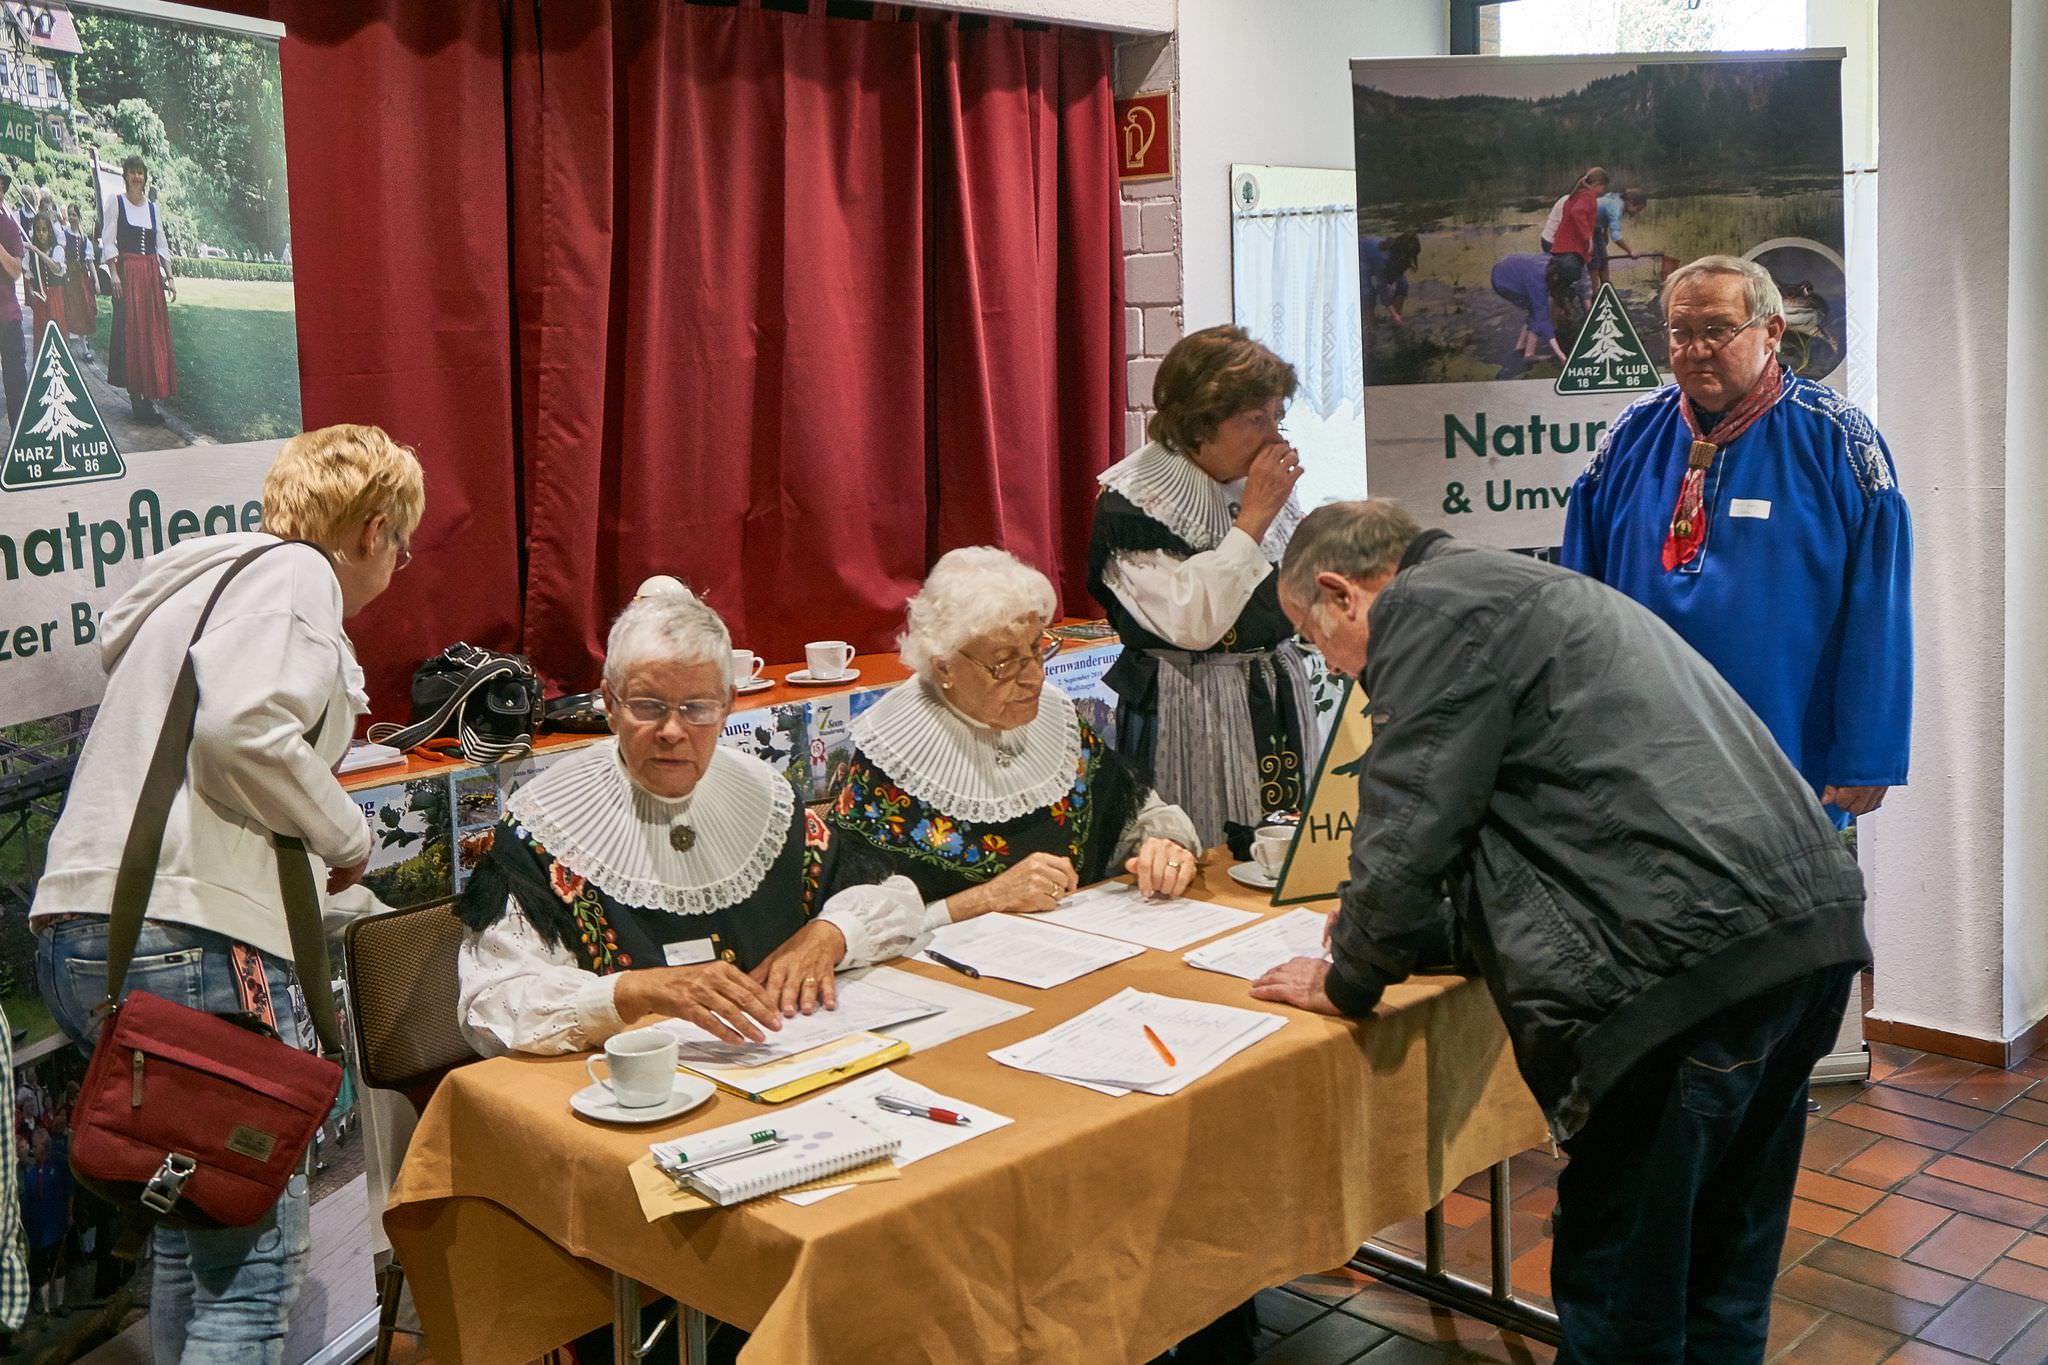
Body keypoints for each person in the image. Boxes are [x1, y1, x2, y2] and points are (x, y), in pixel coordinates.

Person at [1251, 499, 1869, 1365]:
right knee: (1721, 1270)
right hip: (1802, 937)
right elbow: (1537, 834)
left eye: (1313, 638)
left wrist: (1350, 974)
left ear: (1341, 593)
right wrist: (1408, 934)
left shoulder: (1429, 608)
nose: (1333, 666)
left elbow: (1411, 817)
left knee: (1626, 1293)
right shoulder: (1516, 589)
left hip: (1682, 974)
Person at [31, 423, 425, 1364]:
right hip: (192, 947)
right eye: (403, 544)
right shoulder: (299, 577)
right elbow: (245, 732)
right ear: (372, 529)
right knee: (250, 1282)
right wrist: (348, 833)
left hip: (94, 935)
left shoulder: (201, 588)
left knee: (194, 1246)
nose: (400, 565)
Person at [455, 580, 932, 1057]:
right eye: (647, 706)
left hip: (784, 1064)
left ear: (726, 706)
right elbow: (491, 1006)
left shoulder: (767, 798)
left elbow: (894, 899)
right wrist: (637, 991)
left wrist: (833, 933)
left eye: (697, 708)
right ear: (610, 704)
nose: (672, 731)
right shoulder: (542, 824)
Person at [1560, 255, 1912, 824]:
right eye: (1681, 332)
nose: (1696, 348)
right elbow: (1578, 601)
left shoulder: (1838, 440)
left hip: (1784, 758)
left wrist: (1868, 755)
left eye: (1718, 330)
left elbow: (1880, 609)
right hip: (1642, 765)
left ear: (1771, 331)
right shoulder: (1629, 437)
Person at [829, 547, 1201, 920]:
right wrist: (984, 900)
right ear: (944, 668)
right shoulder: (894, 751)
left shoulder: (1055, 717)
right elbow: (848, 926)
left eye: (1037, 649)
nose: (1035, 678)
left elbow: (1135, 816)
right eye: (1005, 662)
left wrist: (1163, 846)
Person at [1087, 325, 1315, 848]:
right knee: (1203, 855)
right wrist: (1253, 519)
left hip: (1272, 693)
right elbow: (1193, 622)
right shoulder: (1132, 503)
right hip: (1188, 705)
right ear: (1197, 425)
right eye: (1255, 420)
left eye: (1277, 417)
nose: (1275, 437)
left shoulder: (1249, 484)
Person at [100, 155, 176, 421]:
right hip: (129, 275)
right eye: (132, 172)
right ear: (125, 176)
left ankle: (150, 395)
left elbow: (161, 244)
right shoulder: (117, 203)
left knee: (151, 334)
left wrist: (169, 276)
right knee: (132, 335)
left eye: (140, 172)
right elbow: (108, 240)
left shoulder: (153, 208)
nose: (137, 177)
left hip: (150, 276)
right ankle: (137, 399)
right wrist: (114, 273)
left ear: (145, 177)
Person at [1490, 251, 1585, 365]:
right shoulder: (1538, 282)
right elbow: (1543, 320)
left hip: (1511, 267)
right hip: (1503, 281)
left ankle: (1521, 347)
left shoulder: (1552, 263)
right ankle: (1529, 355)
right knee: (1538, 312)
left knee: (1536, 310)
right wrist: (1561, 356)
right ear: (1557, 277)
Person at [20, 1129, 69, 1324]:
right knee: (41, 1271)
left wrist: (69, 1215)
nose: (33, 1149)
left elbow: (68, 1191)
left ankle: (59, 1303)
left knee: (59, 1264)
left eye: (36, 1145)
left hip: (56, 1225)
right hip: (37, 1230)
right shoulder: (31, 1172)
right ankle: (47, 1309)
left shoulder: (58, 1164)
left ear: (45, 1147)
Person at [1544, 166, 1608, 300]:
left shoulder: (1575, 195)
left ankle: (1567, 304)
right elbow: (1577, 213)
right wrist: (1588, 238)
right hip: (1565, 247)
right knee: (1580, 279)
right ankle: (1585, 307)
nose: (1603, 191)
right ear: (1596, 185)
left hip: (1558, 245)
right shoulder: (1588, 197)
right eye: (1603, 187)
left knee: (1566, 281)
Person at [0, 165, 26, 425]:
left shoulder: (9, 226)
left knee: (16, 381)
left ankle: (20, 440)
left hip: (7, 315)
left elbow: (16, 270)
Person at [1359, 231, 1420, 326]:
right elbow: (1381, 287)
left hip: (1375, 253)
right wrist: (1392, 311)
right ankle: (1369, 324)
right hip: (1361, 255)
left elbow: (1398, 278)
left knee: (1403, 284)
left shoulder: (1401, 257)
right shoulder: (1382, 259)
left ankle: (1397, 318)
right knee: (1368, 293)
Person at [60, 203, 96, 362]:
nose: (72, 217)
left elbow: (89, 262)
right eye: (70, 214)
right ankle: (66, 344)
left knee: (82, 311)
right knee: (68, 309)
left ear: (79, 217)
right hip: (68, 278)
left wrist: (96, 280)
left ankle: (84, 347)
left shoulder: (84, 238)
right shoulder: (63, 235)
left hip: (81, 280)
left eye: (74, 214)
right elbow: (60, 256)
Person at [1591, 187, 1648, 287]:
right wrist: (1631, 251)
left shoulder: (1616, 199)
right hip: (1588, 230)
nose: (1636, 213)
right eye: (1638, 209)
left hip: (1596, 230)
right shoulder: (1616, 208)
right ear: (1630, 201)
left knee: (1604, 260)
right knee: (1594, 263)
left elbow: (1602, 214)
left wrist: (1604, 232)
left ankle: (1607, 288)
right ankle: (1594, 295)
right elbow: (1616, 236)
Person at [24, 211, 66, 342]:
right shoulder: (30, 254)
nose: (41, 233)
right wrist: (31, 291)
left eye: (44, 230)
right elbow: (29, 277)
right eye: (38, 230)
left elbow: (56, 268)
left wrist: (39, 252)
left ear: (49, 231)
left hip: (55, 296)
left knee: (57, 330)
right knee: (41, 334)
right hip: (40, 299)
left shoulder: (57, 250)